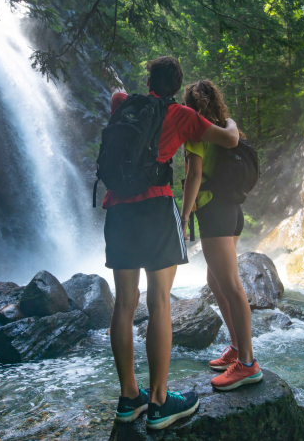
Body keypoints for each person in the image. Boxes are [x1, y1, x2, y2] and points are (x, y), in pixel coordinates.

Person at [104, 58, 240, 429]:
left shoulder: (121, 102)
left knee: (124, 304)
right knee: (159, 300)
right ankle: (161, 401)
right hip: (155, 208)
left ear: (148, 80)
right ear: (178, 87)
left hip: (117, 209)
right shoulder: (182, 115)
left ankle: (130, 397)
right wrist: (230, 121)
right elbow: (229, 139)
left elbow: (117, 99)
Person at [181, 79, 262, 391]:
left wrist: (185, 215)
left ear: (191, 106)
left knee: (230, 285)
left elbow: (194, 176)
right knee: (216, 282)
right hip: (232, 211)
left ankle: (248, 364)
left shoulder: (197, 133)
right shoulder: (226, 129)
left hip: (214, 211)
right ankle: (237, 349)